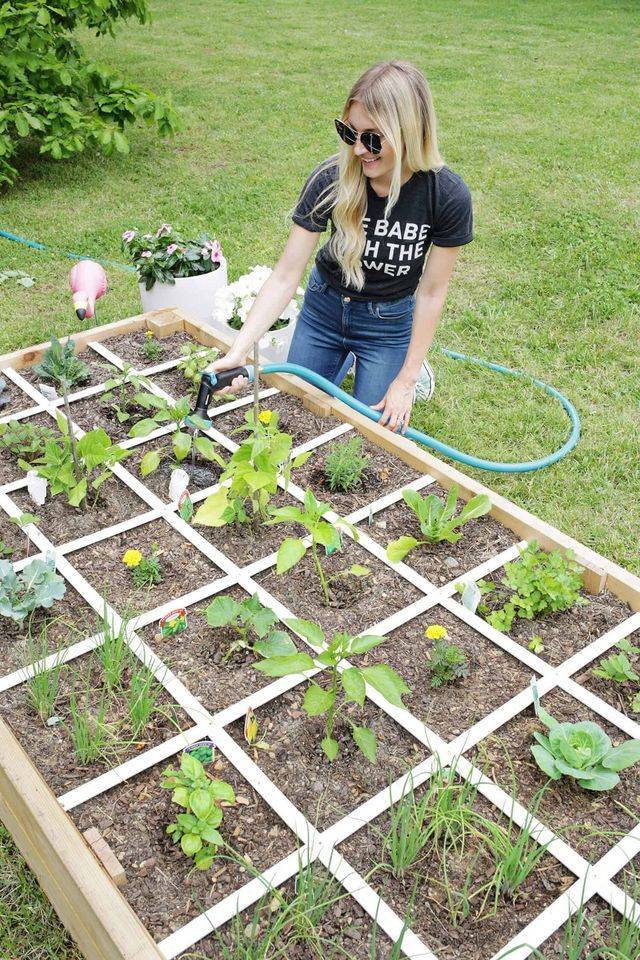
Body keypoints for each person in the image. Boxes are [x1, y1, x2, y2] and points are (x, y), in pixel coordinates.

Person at [208, 59, 473, 434]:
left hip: (388, 323)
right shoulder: (331, 178)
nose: (359, 150)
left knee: (368, 435)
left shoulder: (445, 195)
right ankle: (344, 358)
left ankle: (404, 363)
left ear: (408, 132)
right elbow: (286, 275)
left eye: (373, 138)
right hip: (325, 311)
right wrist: (238, 351)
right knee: (295, 416)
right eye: (350, 134)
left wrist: (406, 379)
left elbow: (431, 293)